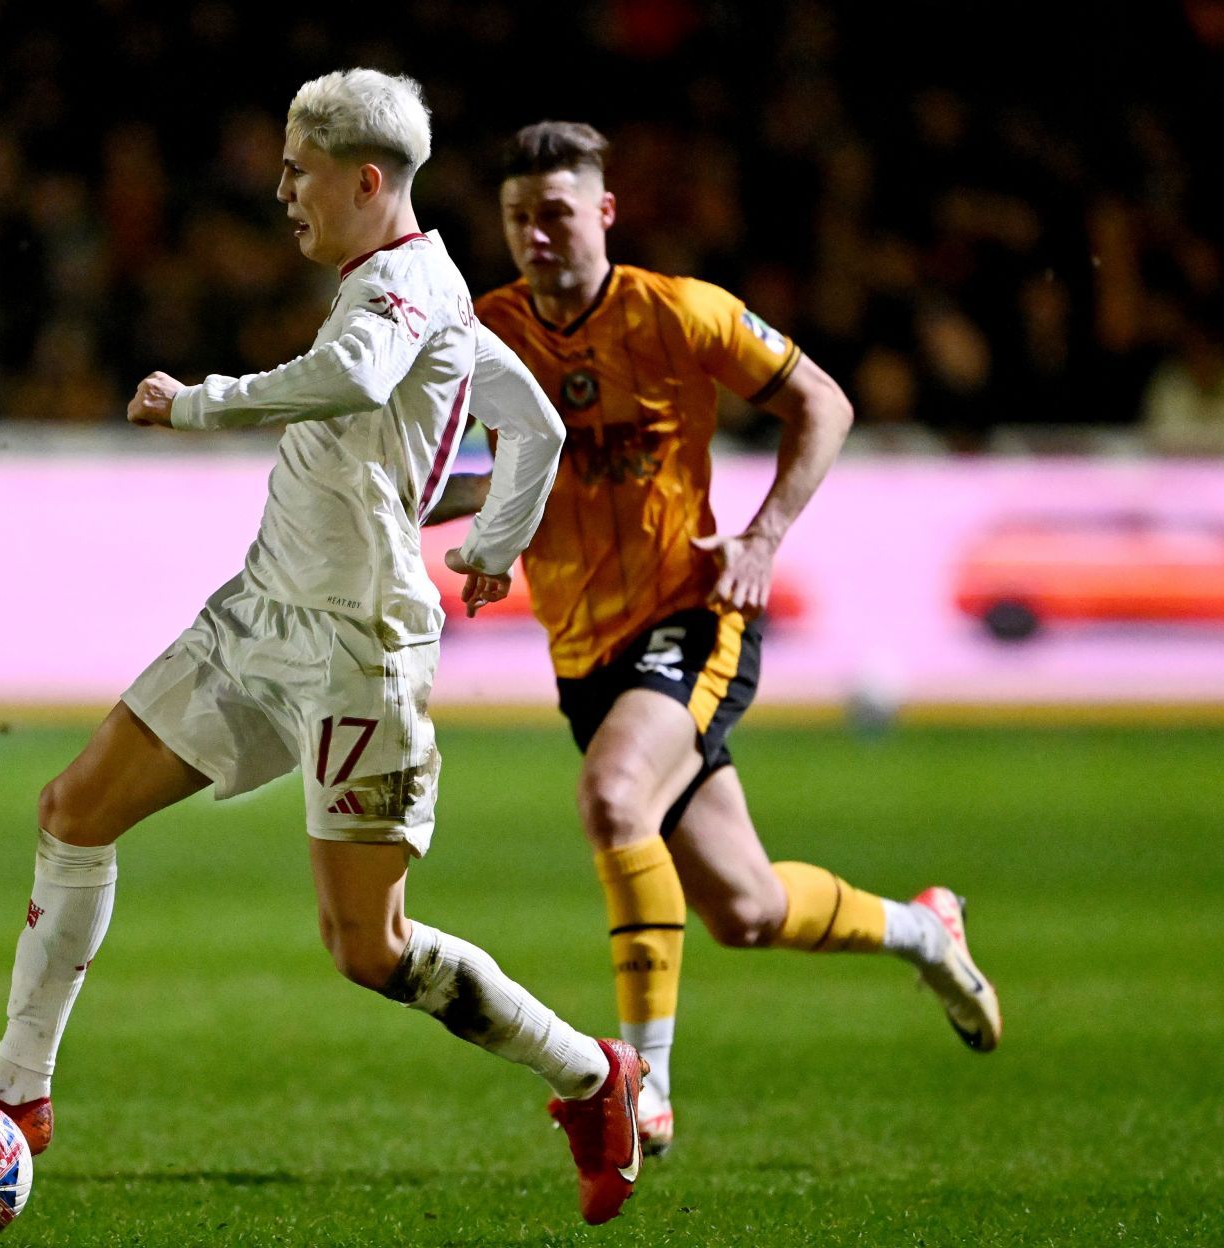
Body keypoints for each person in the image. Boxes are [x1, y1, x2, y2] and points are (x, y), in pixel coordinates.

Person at [0, 73, 650, 1226]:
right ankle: (20, 1090)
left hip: (359, 651)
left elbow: (355, 376)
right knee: (72, 808)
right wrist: (495, 541)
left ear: (366, 180)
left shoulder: (393, 293)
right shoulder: (426, 282)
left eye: (299, 170)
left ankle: (597, 1076)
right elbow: (532, 425)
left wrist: (201, 403)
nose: (283, 189)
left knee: (368, 947)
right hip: (259, 615)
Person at [428, 121, 1002, 1159]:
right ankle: (925, 929)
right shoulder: (486, 331)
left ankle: (643, 1086)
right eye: (519, 218)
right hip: (584, 655)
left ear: (605, 211)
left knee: (612, 799)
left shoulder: (677, 311)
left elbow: (820, 401)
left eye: (557, 213)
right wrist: (453, 520)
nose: (537, 236)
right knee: (745, 905)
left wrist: (765, 537)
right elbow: (473, 469)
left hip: (692, 617)